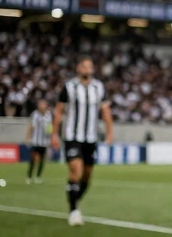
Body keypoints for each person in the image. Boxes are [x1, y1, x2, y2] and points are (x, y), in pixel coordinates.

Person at [51, 54, 113, 227]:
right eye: (84, 66)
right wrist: (54, 134)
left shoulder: (98, 87)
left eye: (90, 66)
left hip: (91, 138)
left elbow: (106, 111)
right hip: (72, 136)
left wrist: (110, 133)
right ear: (78, 68)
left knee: (86, 176)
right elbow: (59, 111)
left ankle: (74, 200)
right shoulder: (69, 87)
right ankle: (73, 211)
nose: (87, 69)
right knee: (76, 170)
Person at [25, 99, 52, 184]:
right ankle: (29, 176)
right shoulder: (34, 114)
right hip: (35, 141)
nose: (43, 106)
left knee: (42, 160)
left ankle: (38, 177)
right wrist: (28, 138)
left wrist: (50, 136)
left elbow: (50, 127)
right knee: (33, 159)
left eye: (44, 104)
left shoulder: (48, 115)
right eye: (41, 104)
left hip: (44, 142)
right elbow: (31, 126)